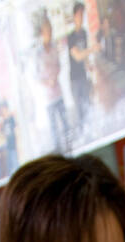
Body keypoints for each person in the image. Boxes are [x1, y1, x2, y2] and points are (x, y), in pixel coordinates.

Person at [35, 13, 70, 152]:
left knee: (65, 122)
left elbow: (59, 65)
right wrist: (47, 82)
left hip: (58, 92)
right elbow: (36, 76)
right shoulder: (38, 53)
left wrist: (55, 76)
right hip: (47, 97)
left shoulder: (54, 48)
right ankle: (59, 150)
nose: (49, 34)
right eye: (47, 31)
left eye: (50, 30)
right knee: (54, 128)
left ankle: (69, 145)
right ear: (42, 33)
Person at [67, 3, 94, 137]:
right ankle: (83, 134)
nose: (80, 17)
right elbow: (77, 56)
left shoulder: (83, 33)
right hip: (74, 78)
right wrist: (92, 49)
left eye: (82, 14)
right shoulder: (71, 36)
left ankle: (90, 130)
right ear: (74, 16)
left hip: (83, 75)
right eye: (78, 15)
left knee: (88, 103)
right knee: (79, 110)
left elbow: (84, 55)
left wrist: (89, 64)